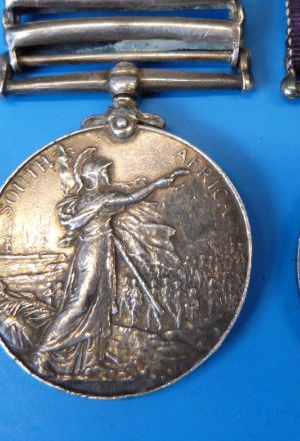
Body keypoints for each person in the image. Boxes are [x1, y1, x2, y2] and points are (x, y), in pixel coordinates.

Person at [31, 149, 187, 377]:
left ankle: (91, 360)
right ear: (93, 176)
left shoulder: (90, 198)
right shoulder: (98, 199)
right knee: (81, 302)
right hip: (92, 251)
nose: (108, 176)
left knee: (101, 303)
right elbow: (130, 198)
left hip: (102, 250)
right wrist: (157, 183)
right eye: (104, 172)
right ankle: (43, 351)